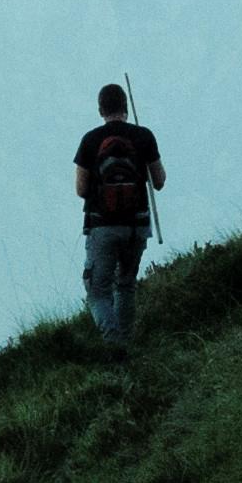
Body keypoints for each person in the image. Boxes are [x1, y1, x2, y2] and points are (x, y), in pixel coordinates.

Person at [73, 83, 165, 349]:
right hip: (137, 225)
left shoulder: (90, 140)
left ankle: (114, 345)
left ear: (101, 109)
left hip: (103, 227)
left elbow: (81, 190)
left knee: (97, 291)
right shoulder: (144, 136)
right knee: (125, 284)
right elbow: (159, 181)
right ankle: (126, 342)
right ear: (125, 107)